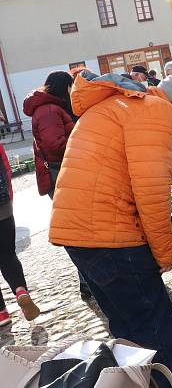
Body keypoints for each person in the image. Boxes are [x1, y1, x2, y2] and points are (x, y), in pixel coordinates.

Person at [49, 70, 172, 388]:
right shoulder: (156, 111)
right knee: (155, 321)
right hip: (110, 234)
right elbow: (150, 192)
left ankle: (144, 382)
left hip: (78, 233)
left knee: (126, 321)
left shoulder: (125, 104)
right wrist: (164, 254)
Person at [22, 71, 92, 300]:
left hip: (63, 174)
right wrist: (82, 140)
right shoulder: (50, 110)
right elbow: (55, 145)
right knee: (81, 229)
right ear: (64, 87)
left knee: (81, 228)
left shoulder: (47, 108)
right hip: (63, 174)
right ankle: (89, 280)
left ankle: (89, 279)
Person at [0, 142, 41, 327]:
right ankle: (20, 291)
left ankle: (1, 313)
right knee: (8, 255)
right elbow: (6, 170)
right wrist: (9, 199)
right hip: (2, 207)